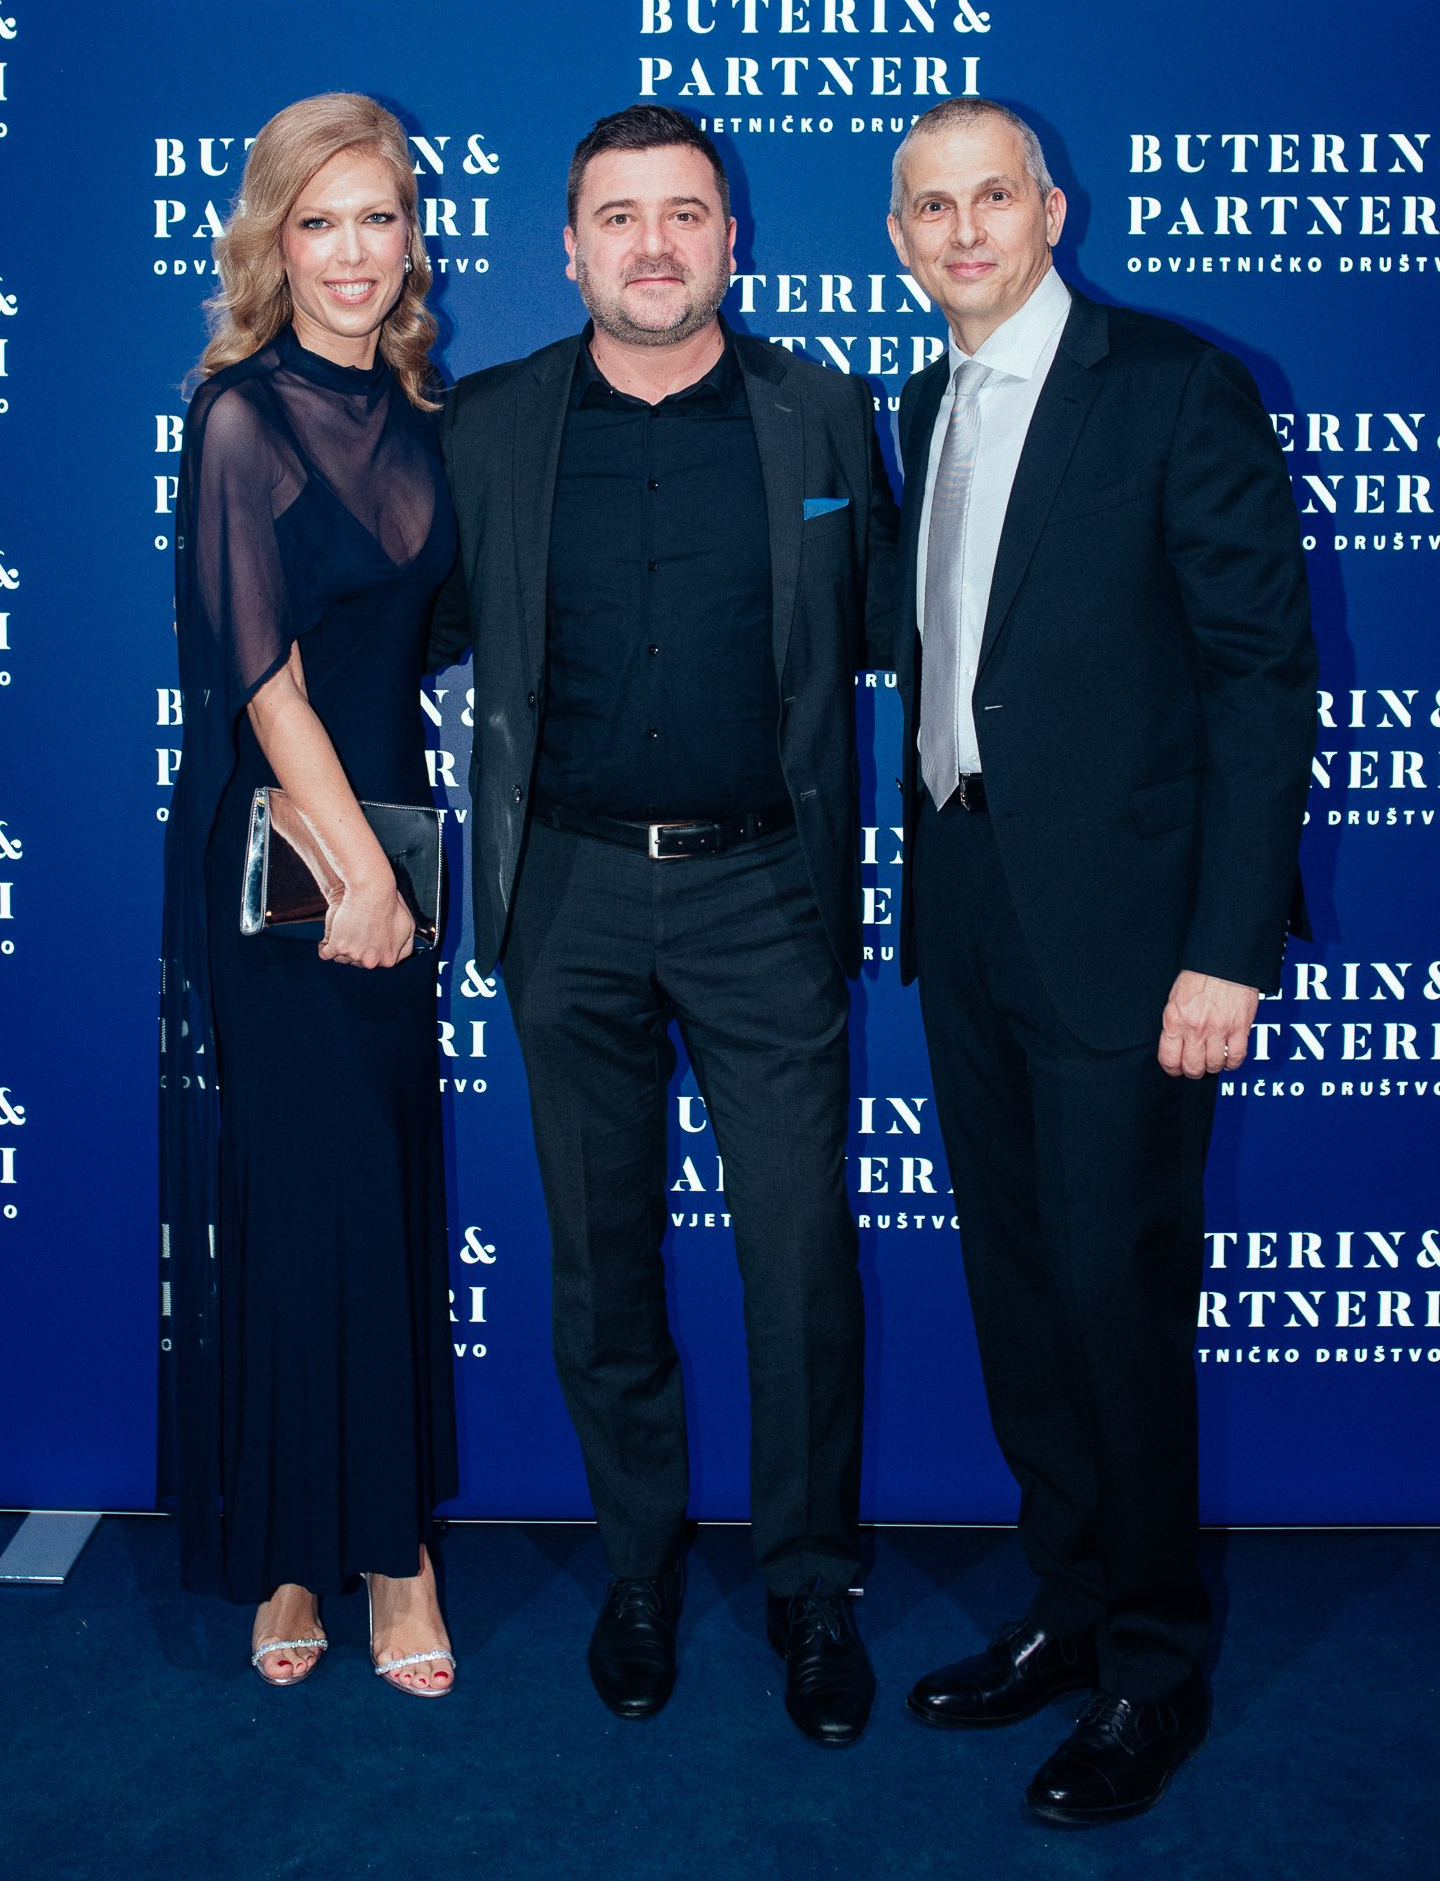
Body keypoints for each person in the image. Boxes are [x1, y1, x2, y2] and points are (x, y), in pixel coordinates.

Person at [433, 105, 897, 1746]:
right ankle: (640, 1568)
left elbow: (925, 629)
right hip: (562, 894)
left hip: (766, 890)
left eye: (682, 214)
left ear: (730, 238)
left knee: (799, 1259)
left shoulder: (823, 416)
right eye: (616, 218)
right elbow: (376, 625)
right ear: (566, 247)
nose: (651, 245)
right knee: (598, 1262)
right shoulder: (482, 424)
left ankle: (811, 1586)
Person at [884, 99, 1316, 1822]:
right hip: (970, 908)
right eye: (932, 205)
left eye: (995, 195)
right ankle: (1064, 1612)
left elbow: (1259, 685)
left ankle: (1152, 1665)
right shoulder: (930, 400)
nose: (965, 227)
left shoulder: (1173, 387)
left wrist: (1227, 953)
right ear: (902, 237)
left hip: (1134, 943)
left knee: (1115, 1297)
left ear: (1051, 210)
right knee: (1020, 1292)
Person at [159, 93, 465, 1695]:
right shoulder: (242, 416)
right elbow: (263, 682)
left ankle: (393, 1551)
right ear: (274, 243)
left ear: (413, 238)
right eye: (319, 221)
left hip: (393, 851)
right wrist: (352, 878)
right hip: (295, 858)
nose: (353, 253)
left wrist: (391, 879)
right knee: (299, 1188)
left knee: (383, 1187)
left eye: (379, 218)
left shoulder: (419, 410)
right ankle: (298, 1548)